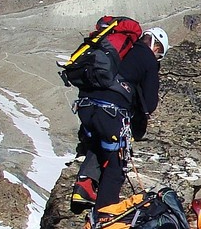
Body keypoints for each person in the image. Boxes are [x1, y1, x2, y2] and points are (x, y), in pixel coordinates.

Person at [72, 25, 170, 211]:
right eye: (159, 54)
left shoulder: (122, 50)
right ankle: (105, 215)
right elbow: (149, 104)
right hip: (110, 113)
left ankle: (84, 186)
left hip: (86, 107)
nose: (157, 57)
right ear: (157, 48)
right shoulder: (148, 59)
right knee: (116, 165)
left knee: (98, 143)